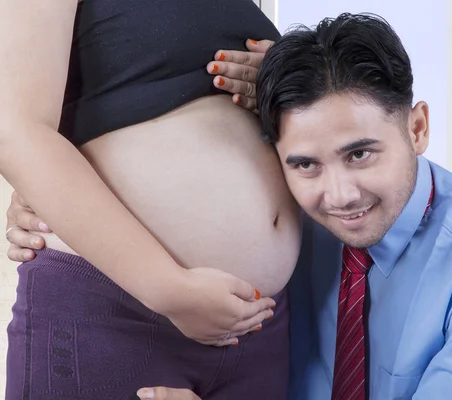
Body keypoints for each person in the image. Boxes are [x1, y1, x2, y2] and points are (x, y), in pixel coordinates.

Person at [7, 12, 452, 400]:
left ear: (418, 127)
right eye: (303, 164)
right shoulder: (322, 231)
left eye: (361, 153)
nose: (341, 195)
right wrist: (57, 194)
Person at [0, 1, 301, 398]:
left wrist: (289, 82)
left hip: (259, 329)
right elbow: (16, 130)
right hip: (114, 312)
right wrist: (168, 288)